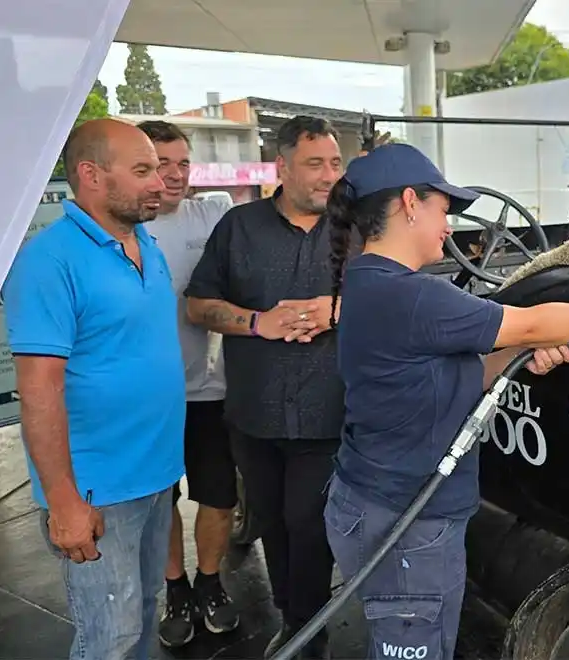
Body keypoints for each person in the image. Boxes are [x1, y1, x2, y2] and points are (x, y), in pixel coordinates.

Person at [322, 143, 569, 660]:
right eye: (443, 209)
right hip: (407, 520)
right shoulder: (410, 295)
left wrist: (520, 355)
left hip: (371, 501)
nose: (450, 226)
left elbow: (455, 372)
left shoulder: (369, 284)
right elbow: (530, 320)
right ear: (410, 203)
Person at [1, 118, 185, 659]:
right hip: (97, 492)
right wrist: (63, 504)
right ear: (91, 175)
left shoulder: (142, 241)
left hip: (153, 476)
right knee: (110, 639)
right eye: (143, 170)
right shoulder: (48, 261)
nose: (162, 181)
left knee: (144, 616)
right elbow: (38, 390)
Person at [184, 115, 346, 659]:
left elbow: (399, 293)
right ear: (282, 166)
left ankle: (310, 631)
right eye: (315, 164)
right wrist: (258, 322)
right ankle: (292, 619)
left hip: (329, 415)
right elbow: (197, 304)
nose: (329, 175)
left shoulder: (357, 230)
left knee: (311, 523)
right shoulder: (238, 227)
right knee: (273, 524)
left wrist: (336, 309)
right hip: (254, 416)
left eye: (335, 163)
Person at [136, 120, 240, 647]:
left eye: (182, 162)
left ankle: (211, 582)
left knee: (218, 496)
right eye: (160, 163)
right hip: (151, 396)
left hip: (210, 390)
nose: (174, 175)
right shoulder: (125, 228)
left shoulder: (214, 210)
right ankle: (175, 587)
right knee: (162, 500)